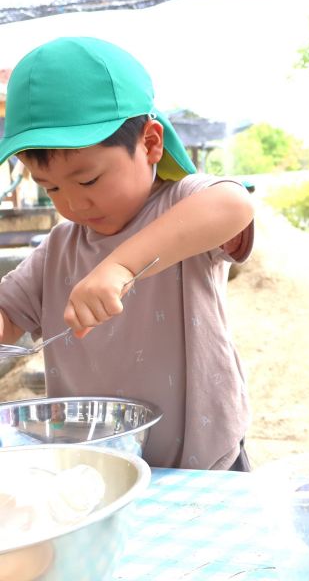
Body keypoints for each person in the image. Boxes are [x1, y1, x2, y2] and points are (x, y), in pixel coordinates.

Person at [0, 37, 255, 471]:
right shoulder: (61, 245)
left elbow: (234, 204)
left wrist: (121, 265)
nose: (74, 205)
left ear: (151, 143)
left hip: (200, 459)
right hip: (97, 466)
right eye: (52, 188)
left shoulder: (180, 206)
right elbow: (8, 315)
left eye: (89, 180)